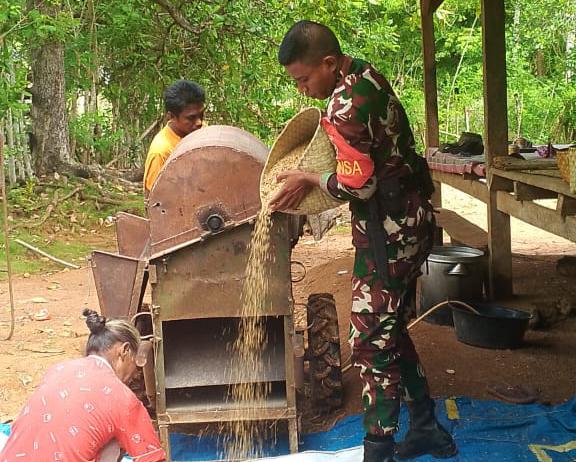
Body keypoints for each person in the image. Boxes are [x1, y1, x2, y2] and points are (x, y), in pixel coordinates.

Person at [272, 20, 456, 462]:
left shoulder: (344, 108)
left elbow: (360, 186)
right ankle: (428, 428)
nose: (301, 90)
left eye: (304, 79)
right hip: (411, 218)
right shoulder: (367, 76)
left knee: (370, 340)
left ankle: (379, 448)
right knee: (387, 326)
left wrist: (311, 178)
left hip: (388, 231)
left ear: (329, 63)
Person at [0, 309, 166, 462]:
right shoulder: (121, 397)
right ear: (125, 350)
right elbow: (151, 457)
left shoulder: (58, 369)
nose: (135, 374)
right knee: (115, 439)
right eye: (135, 362)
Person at [143, 80, 206, 194]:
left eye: (201, 115)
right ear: (171, 116)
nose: (199, 122)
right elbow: (155, 199)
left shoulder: (202, 131)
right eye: (191, 118)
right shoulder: (161, 152)